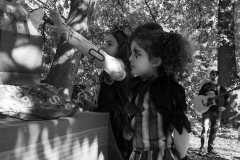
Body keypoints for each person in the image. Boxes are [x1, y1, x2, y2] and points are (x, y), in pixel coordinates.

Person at [46, 10, 132, 159]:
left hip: (115, 128)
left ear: (122, 48)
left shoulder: (120, 69)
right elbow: (109, 105)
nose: (104, 47)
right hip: (107, 124)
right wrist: (89, 105)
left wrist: (64, 29)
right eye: (104, 43)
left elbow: (90, 50)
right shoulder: (111, 73)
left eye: (110, 44)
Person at [123, 23, 192, 160]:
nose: (130, 58)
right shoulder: (142, 86)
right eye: (131, 53)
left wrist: (180, 156)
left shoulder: (165, 89)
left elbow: (181, 126)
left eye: (137, 54)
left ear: (155, 61)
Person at [198, 70, 229, 156]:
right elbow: (199, 97)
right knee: (205, 129)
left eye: (216, 74)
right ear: (210, 75)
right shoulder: (205, 86)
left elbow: (227, 97)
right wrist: (206, 95)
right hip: (206, 110)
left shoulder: (221, 87)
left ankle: (210, 150)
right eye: (213, 74)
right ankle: (202, 149)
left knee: (214, 131)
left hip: (217, 111)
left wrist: (224, 106)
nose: (214, 75)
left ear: (218, 76)